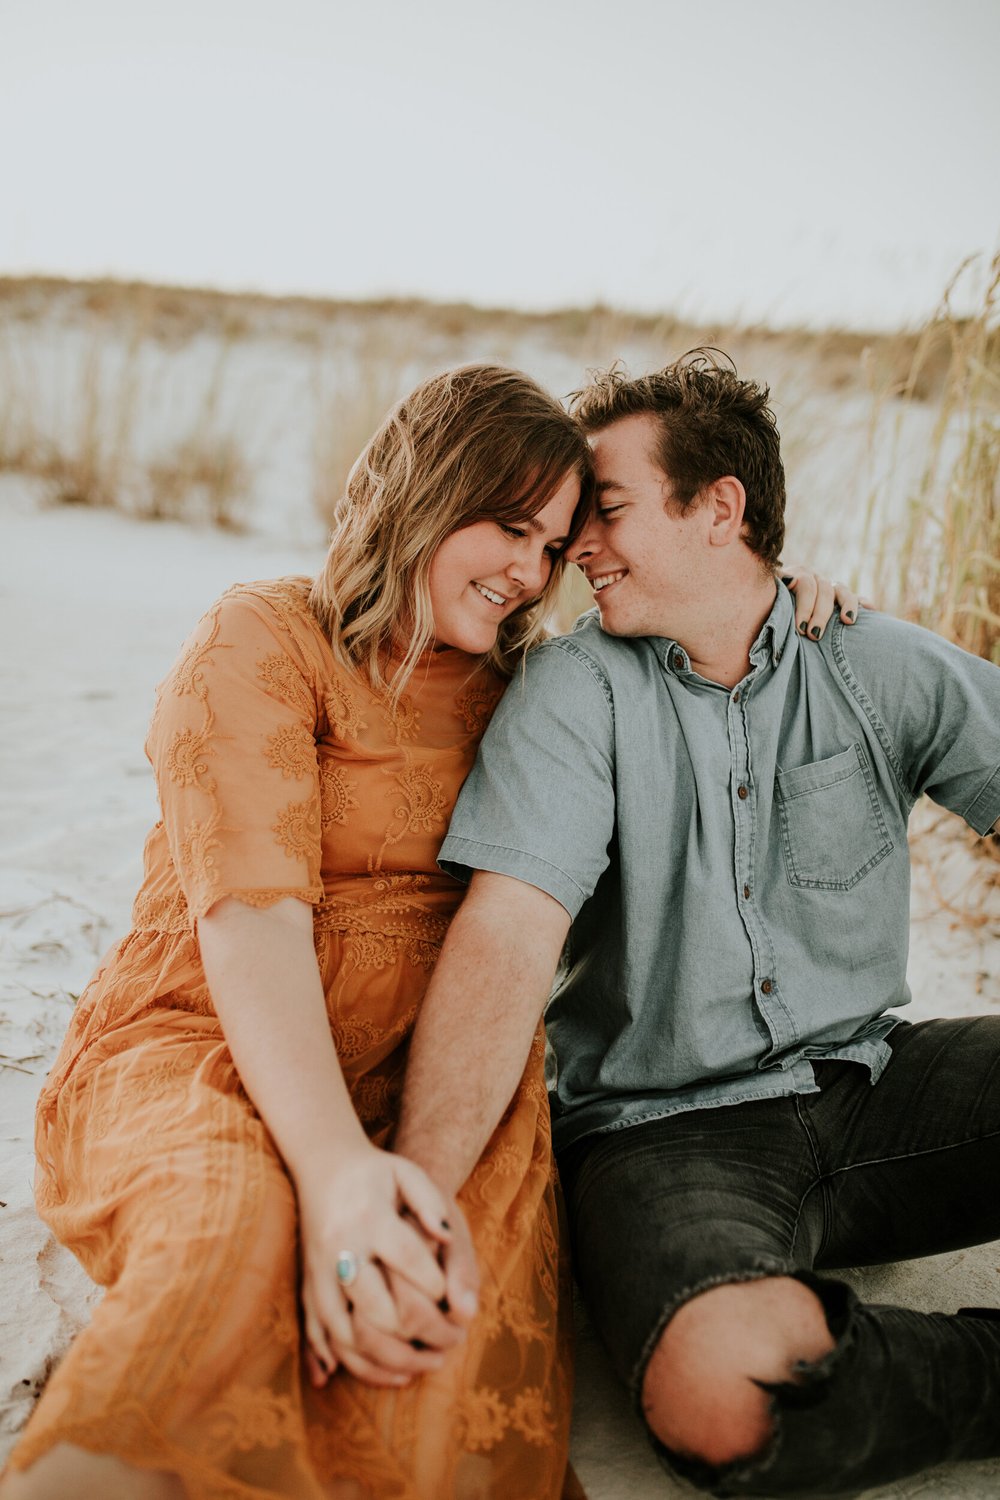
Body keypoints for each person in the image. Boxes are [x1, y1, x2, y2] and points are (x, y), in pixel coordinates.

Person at [3, 358, 845, 1500]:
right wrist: (338, 1169)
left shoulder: (537, 692)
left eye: (552, 546)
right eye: (505, 525)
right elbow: (251, 916)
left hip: (442, 1071)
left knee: (429, 1344)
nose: (529, 571)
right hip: (210, 1036)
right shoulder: (266, 636)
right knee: (228, 1245)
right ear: (423, 490)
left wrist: (781, 599)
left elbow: (703, 673)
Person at [393, 351, 1000, 1497]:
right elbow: (508, 936)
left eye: (606, 510)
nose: (575, 549)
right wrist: (418, 1202)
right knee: (724, 1385)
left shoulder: (868, 661)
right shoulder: (574, 695)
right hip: (666, 1135)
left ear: (719, 508)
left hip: (876, 1085)